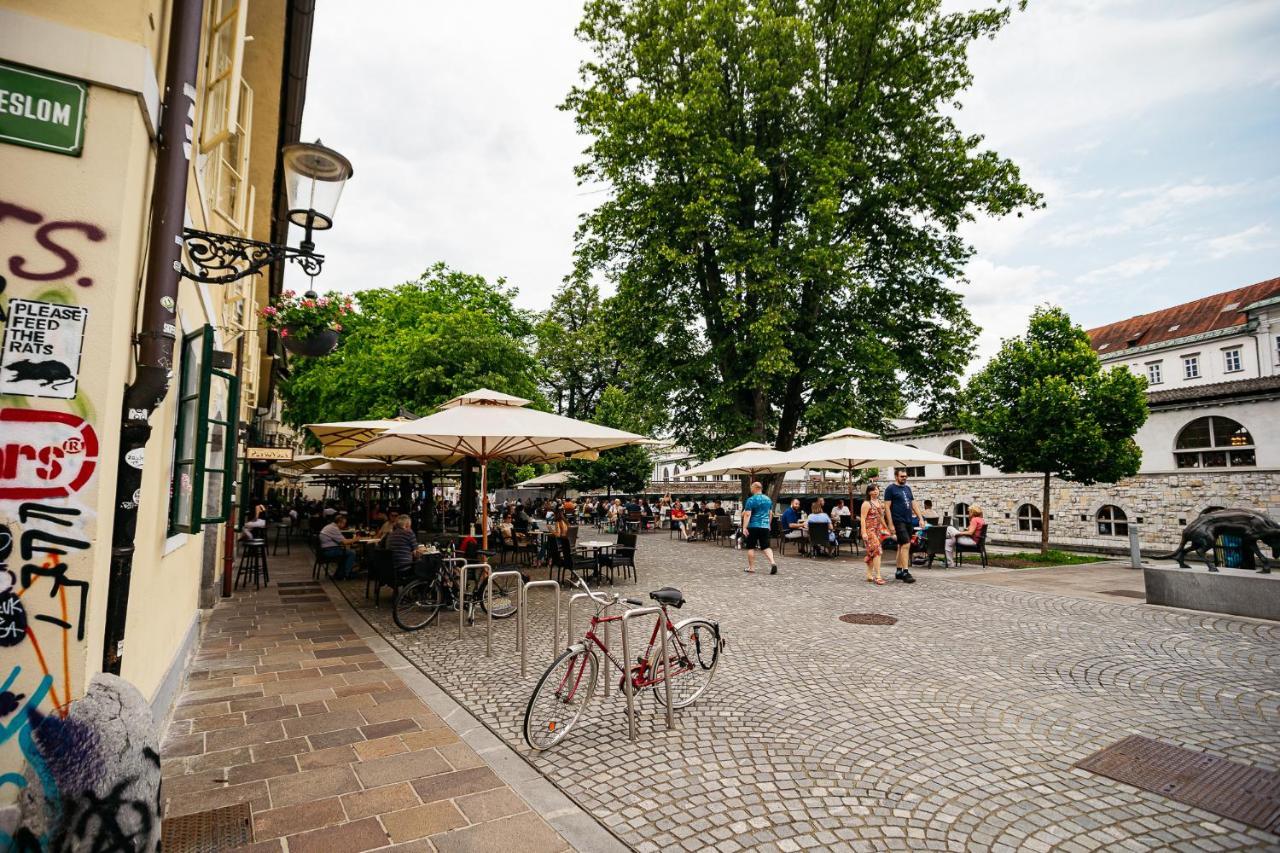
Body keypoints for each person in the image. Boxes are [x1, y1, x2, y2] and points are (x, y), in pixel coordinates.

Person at [883, 468, 922, 584]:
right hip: (898, 520)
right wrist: (890, 524)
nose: (904, 478)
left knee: (901, 546)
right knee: (906, 544)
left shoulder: (907, 488)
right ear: (896, 476)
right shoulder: (890, 489)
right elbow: (887, 507)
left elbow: (913, 503)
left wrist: (920, 518)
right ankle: (906, 572)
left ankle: (899, 571)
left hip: (908, 520)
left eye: (905, 476)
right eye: (902, 476)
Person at [740, 481, 778, 575]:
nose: (750, 489)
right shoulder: (768, 499)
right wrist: (768, 524)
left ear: (755, 488)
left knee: (751, 547)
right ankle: (773, 562)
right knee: (766, 546)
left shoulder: (751, 500)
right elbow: (770, 514)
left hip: (753, 526)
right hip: (764, 526)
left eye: (751, 487)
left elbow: (748, 514)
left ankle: (751, 568)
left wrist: (744, 527)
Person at [860, 484, 891, 584]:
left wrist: (887, 528)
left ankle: (869, 574)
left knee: (872, 552)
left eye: (877, 490)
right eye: (873, 490)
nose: (875, 491)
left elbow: (881, 518)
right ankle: (878, 576)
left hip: (877, 530)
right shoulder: (866, 504)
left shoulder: (878, 503)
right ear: (869, 492)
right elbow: (863, 519)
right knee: (877, 550)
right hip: (869, 531)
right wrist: (863, 532)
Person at [319, 513, 358, 580]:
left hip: (326, 549)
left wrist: (352, 541)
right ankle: (346, 574)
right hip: (329, 550)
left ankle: (340, 574)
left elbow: (342, 540)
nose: (344, 525)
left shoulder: (330, 526)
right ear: (339, 522)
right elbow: (344, 542)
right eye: (344, 523)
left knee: (346, 552)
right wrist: (355, 539)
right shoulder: (334, 529)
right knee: (352, 553)